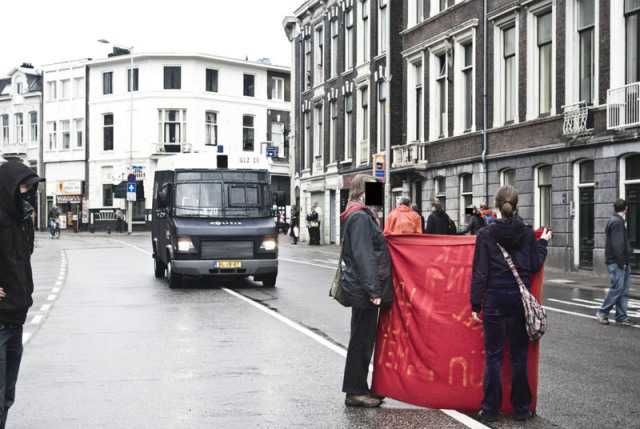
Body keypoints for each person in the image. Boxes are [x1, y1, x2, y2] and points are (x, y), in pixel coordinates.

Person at [470, 185, 552, 423]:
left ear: (496, 206)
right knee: (518, 356)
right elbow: (535, 265)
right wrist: (543, 242)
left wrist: (476, 304)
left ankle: (490, 410)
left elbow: (479, 273)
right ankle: (522, 409)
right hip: (519, 300)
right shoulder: (527, 233)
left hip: (494, 299)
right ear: (515, 206)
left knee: (494, 357)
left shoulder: (485, 235)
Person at [340, 174, 393, 408]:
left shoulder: (359, 214)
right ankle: (355, 392)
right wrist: (373, 290)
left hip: (362, 288)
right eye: (374, 189)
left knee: (361, 339)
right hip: (364, 290)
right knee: (361, 340)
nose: (377, 193)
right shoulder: (360, 217)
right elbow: (364, 257)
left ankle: (359, 387)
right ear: (363, 190)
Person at [0, 160, 44, 428]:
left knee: (7, 396)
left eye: (30, 187)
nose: (27, 192)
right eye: (23, 187)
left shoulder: (22, 220)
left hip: (16, 318)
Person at [596, 199, 635, 326]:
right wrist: (621, 261)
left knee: (623, 290)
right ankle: (602, 312)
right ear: (626, 209)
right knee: (617, 288)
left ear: (614, 208)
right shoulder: (617, 222)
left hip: (619, 260)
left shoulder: (615, 221)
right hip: (617, 261)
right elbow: (617, 244)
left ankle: (621, 316)